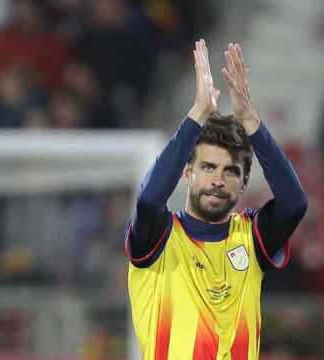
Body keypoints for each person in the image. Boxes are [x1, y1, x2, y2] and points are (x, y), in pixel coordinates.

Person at [125, 39, 308, 359]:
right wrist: (198, 114)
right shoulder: (158, 237)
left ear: (244, 183)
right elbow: (149, 200)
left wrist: (251, 122)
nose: (218, 180)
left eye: (230, 171)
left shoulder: (251, 237)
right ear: (187, 172)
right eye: (208, 167)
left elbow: (294, 204)